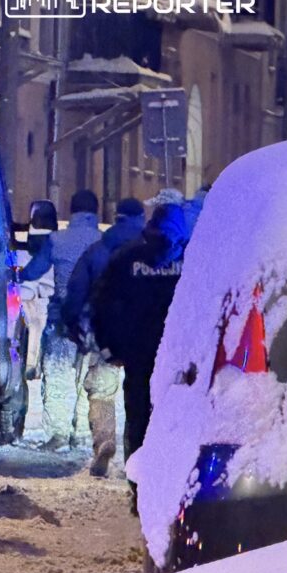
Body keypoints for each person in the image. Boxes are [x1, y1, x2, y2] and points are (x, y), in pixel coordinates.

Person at [91, 203, 189, 512]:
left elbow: (102, 303)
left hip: (138, 357)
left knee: (139, 424)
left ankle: (141, 492)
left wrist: (109, 347)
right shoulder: (193, 259)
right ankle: (174, 491)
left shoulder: (127, 257)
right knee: (178, 424)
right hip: (183, 362)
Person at [62, 197, 145, 477]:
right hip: (147, 337)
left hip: (106, 335)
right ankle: (138, 454)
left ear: (116, 216)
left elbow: (76, 292)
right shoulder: (155, 252)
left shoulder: (97, 251)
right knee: (142, 395)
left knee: (101, 391)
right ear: (141, 218)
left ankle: (104, 440)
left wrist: (73, 324)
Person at [18, 190, 102, 450]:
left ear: (71, 211)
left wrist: (19, 274)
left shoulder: (57, 240)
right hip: (97, 320)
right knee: (89, 376)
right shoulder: (104, 241)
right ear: (96, 212)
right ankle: (83, 433)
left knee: (57, 376)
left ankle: (58, 435)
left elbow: (34, 271)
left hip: (63, 318)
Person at [15, 200, 57, 380]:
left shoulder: (25, 243)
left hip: (27, 290)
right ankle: (35, 366)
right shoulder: (57, 241)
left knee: (30, 327)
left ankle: (28, 365)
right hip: (47, 293)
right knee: (41, 329)